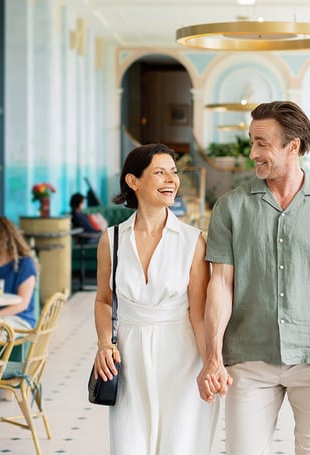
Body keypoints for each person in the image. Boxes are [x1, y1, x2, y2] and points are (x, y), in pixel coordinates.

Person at [198, 101, 310, 454]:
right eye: (251, 141)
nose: (252, 152)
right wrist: (213, 355)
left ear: (294, 146)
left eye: (262, 143)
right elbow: (220, 285)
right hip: (248, 354)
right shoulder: (231, 207)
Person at [92, 143, 218, 454]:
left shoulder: (193, 241)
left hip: (182, 356)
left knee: (180, 443)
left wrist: (210, 364)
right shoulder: (111, 239)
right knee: (129, 444)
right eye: (159, 172)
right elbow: (104, 301)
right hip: (129, 355)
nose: (170, 180)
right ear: (133, 181)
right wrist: (104, 343)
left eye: (173, 173)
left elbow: (199, 314)